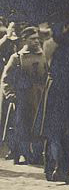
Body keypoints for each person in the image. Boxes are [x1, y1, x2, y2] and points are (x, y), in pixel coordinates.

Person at [38, 27, 69, 183]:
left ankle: (49, 169)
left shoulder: (51, 48)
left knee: (52, 131)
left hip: (51, 91)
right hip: (68, 94)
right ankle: (62, 171)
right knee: (67, 134)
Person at [1, 27, 47, 166]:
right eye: (32, 39)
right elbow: (6, 79)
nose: (36, 41)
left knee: (39, 126)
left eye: (37, 39)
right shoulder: (16, 57)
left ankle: (38, 154)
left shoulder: (44, 56)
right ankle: (23, 153)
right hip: (22, 98)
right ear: (24, 40)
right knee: (22, 127)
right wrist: (10, 94)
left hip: (40, 97)